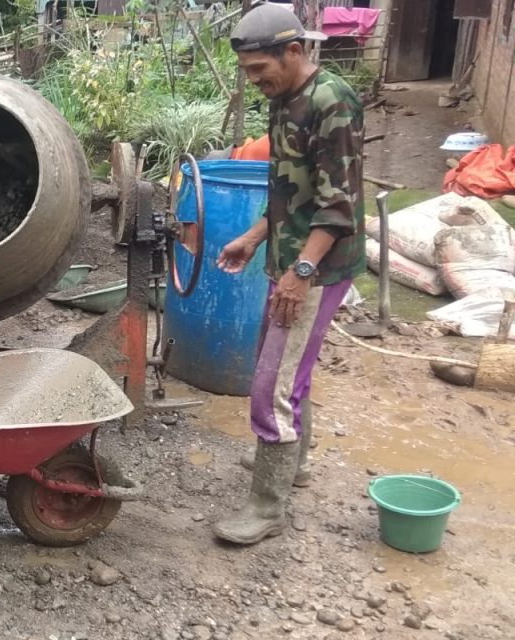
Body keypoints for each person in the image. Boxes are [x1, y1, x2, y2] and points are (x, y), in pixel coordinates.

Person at [213, 4, 366, 545]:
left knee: (269, 384)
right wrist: (254, 238)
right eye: (249, 72)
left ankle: (267, 506)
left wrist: (300, 273)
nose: (255, 82)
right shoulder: (283, 102)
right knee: (285, 366)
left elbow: (338, 207)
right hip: (289, 257)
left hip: (317, 267)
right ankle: (294, 464)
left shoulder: (332, 102)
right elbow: (287, 192)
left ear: (295, 51)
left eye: (261, 70)